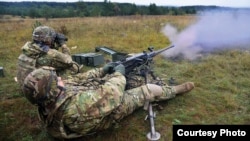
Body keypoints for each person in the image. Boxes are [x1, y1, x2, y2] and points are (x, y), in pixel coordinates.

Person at [22, 63, 195, 139]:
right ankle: (175, 90)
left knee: (116, 80)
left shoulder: (50, 97)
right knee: (147, 89)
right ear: (51, 90)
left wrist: (103, 70)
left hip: (95, 101)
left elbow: (79, 79)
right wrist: (118, 73)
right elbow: (111, 92)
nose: (60, 79)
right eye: (56, 79)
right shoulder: (74, 109)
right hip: (109, 111)